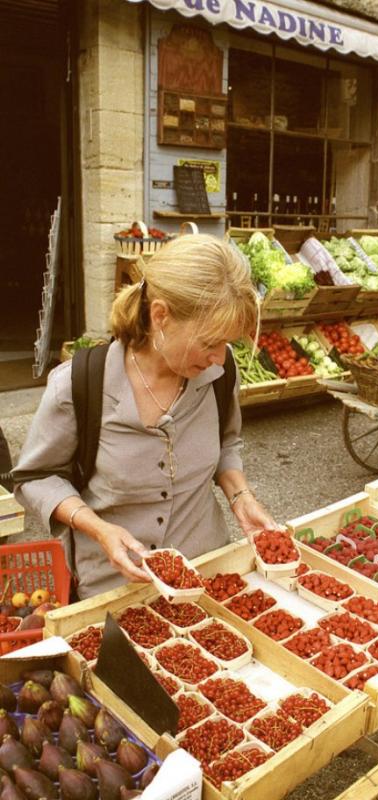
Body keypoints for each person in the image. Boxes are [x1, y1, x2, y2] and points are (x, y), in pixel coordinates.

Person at [13, 234, 278, 599]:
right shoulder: (79, 384)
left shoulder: (220, 372)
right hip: (114, 587)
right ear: (160, 316)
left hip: (204, 573)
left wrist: (241, 496)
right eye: (210, 342)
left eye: (227, 344)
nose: (219, 357)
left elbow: (227, 442)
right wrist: (98, 529)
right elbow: (36, 475)